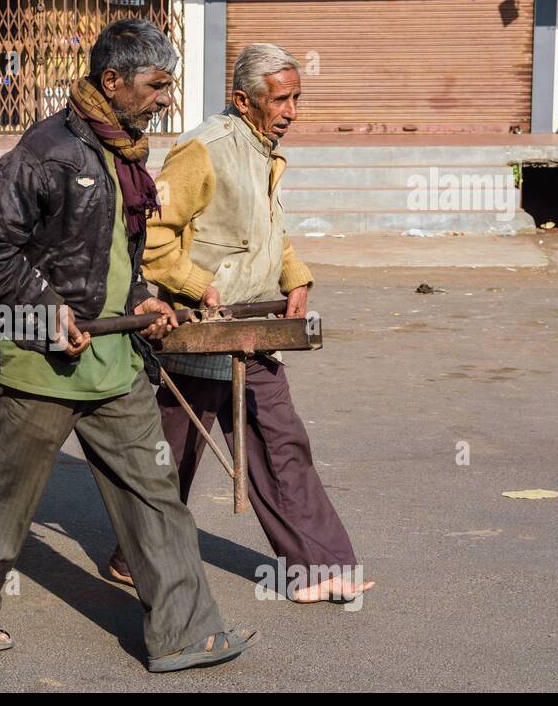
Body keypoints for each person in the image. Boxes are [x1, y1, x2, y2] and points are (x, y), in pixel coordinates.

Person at [0, 19, 258, 672]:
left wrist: (143, 295)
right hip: (45, 363)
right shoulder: (51, 150)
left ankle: (185, 631)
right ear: (111, 80)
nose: (166, 97)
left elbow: (118, 254)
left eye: (169, 84)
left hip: (116, 362)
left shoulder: (125, 151)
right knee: (6, 496)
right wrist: (45, 308)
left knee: (154, 494)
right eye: (156, 85)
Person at [106, 43, 374, 603]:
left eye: (298, 98)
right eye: (281, 99)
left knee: (278, 440)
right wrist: (196, 286)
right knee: (173, 453)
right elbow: (152, 242)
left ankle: (318, 566)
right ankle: (136, 557)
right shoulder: (204, 149)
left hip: (249, 327)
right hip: (200, 324)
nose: (292, 111)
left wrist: (295, 275)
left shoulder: (263, 149)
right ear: (243, 100)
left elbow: (266, 230)